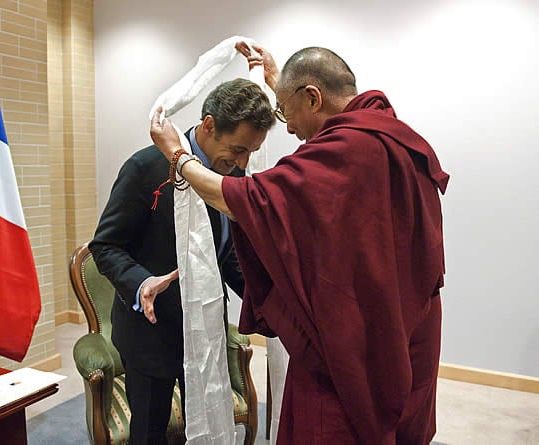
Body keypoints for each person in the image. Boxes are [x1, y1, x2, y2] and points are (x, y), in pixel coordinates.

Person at [150, 44, 449, 445]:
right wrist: (280, 86)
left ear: (313, 97)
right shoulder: (389, 133)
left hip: (358, 340)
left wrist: (179, 157)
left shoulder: (351, 149)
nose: (288, 128)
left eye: (287, 114)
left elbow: (246, 199)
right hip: (408, 323)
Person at [89, 78, 274, 445]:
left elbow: (227, 253)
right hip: (152, 334)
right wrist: (142, 283)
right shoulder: (146, 167)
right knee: (150, 433)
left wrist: (269, 298)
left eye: (250, 153)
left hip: (205, 330)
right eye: (238, 149)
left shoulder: (231, 173)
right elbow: (106, 245)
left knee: (205, 425)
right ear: (208, 126)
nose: (242, 164)